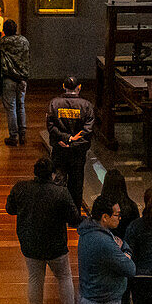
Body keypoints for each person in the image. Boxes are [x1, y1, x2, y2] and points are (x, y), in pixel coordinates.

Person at [6, 157, 84, 304]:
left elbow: (10, 209)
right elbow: (73, 218)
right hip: (55, 245)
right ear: (52, 174)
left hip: (30, 243)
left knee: (35, 278)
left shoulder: (21, 188)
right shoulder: (60, 192)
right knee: (64, 276)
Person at [77, 196, 136, 304]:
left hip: (90, 299)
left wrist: (120, 246)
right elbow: (130, 268)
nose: (120, 218)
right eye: (117, 215)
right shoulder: (103, 241)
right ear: (104, 217)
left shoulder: (88, 232)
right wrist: (125, 252)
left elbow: (119, 242)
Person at [101, 169, 141, 304]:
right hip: (126, 257)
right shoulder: (131, 207)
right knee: (125, 299)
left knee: (105, 296)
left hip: (105, 256)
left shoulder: (100, 207)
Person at [48, 77, 95, 212]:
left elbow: (51, 126)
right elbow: (88, 129)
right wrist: (73, 141)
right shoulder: (86, 105)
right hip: (78, 151)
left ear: (63, 86)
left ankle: (57, 213)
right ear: (79, 87)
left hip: (60, 148)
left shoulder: (54, 103)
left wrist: (64, 139)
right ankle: (74, 216)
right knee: (76, 183)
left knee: (58, 181)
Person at [0, 19, 31, 146]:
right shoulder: (24, 40)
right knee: (21, 105)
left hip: (9, 78)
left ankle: (13, 136)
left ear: (4, 30)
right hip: (22, 79)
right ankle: (23, 134)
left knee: (11, 107)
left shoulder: (4, 42)